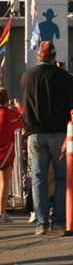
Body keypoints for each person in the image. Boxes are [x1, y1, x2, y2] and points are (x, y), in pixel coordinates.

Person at [21, 41, 73, 234]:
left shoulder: (26, 77)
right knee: (61, 177)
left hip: (35, 133)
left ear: (38, 55)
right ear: (54, 56)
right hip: (58, 133)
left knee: (38, 178)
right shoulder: (63, 77)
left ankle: (41, 222)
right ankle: (58, 219)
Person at [0, 88, 23, 223]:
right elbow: (22, 120)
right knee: (4, 183)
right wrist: (19, 107)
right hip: (6, 151)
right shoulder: (10, 114)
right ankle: (1, 212)